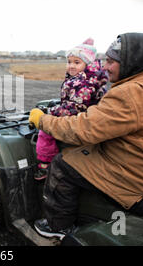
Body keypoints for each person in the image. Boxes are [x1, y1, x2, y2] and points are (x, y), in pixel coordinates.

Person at [29, 32, 143, 240]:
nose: (105, 67)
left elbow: (81, 130)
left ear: (131, 62)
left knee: (63, 163)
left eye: (111, 61)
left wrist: (42, 120)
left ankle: (57, 226)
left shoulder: (130, 92)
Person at [34, 38, 108, 180]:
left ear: (88, 64)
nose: (71, 66)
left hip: (81, 119)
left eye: (76, 62)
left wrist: (49, 113)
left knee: (45, 130)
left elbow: (74, 108)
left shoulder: (85, 83)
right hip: (86, 115)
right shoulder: (86, 78)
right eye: (69, 62)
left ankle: (45, 163)